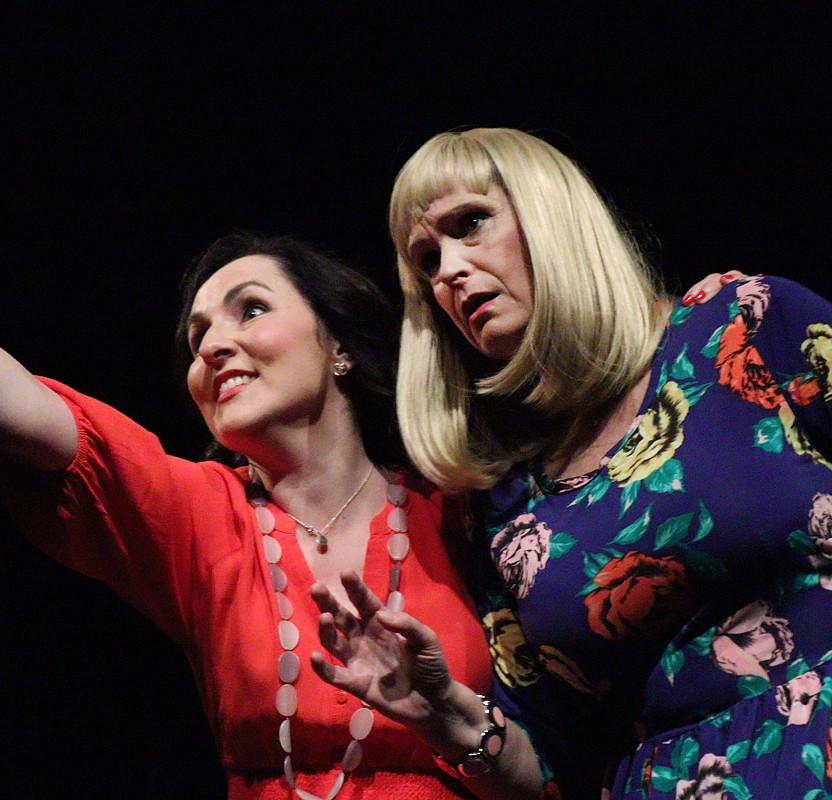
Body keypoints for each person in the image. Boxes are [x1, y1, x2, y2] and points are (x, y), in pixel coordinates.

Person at [0, 140, 542, 800]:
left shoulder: (465, 505)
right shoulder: (208, 521)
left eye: (249, 310)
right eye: (196, 338)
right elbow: (21, 410)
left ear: (340, 346)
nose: (215, 344)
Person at [317, 127, 832, 799]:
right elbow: (555, 769)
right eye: (427, 260)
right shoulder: (501, 506)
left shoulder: (745, 324)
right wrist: (450, 722)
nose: (448, 270)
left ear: (549, 212)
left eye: (469, 224)